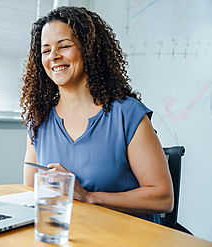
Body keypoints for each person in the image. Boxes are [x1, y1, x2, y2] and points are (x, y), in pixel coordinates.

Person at [19, 6, 173, 223]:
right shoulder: (38, 120)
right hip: (66, 235)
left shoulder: (128, 114)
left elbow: (163, 198)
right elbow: (31, 195)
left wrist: (88, 197)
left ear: (88, 50)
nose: (54, 56)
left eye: (64, 46)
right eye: (46, 51)